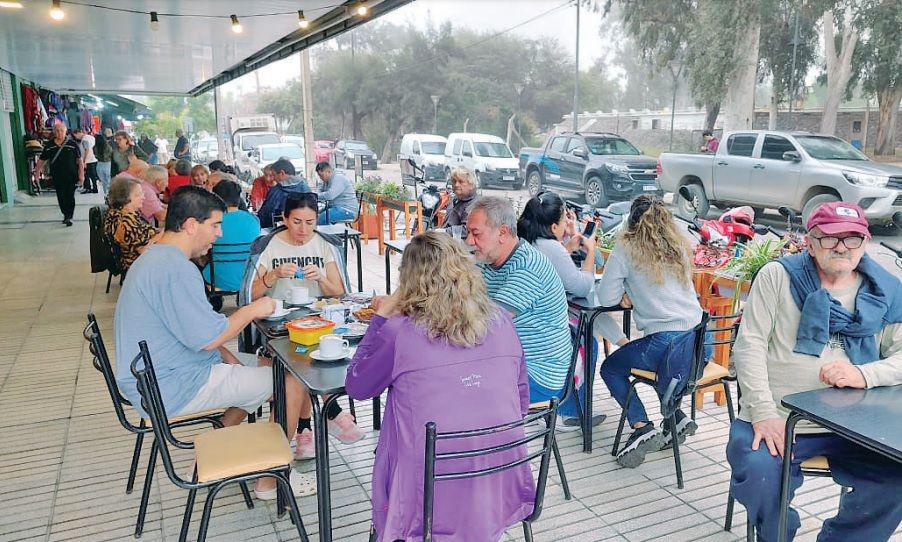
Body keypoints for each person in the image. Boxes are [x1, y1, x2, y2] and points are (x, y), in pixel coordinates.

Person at [114, 185, 315, 499]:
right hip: (173, 384)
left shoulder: (156, 258)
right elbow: (207, 337)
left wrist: (226, 356)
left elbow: (192, 331)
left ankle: (213, 452)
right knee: (292, 382)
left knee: (265, 365)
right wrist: (252, 310)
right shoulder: (175, 269)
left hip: (156, 376)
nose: (219, 234)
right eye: (215, 225)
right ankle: (270, 480)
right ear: (191, 225)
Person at [727, 201, 902, 542]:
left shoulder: (885, 291)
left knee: (896, 478)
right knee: (760, 474)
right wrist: (763, 413)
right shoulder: (778, 276)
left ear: (865, 243)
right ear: (810, 242)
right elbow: (749, 346)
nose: (842, 247)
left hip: (855, 426)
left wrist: (864, 374)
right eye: (830, 237)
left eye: (852, 238)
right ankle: (778, 534)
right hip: (779, 419)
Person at [346, 232, 536, 542]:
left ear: (409, 281)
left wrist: (380, 317)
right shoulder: (501, 320)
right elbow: (521, 400)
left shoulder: (398, 332)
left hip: (428, 493)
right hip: (500, 476)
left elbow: (356, 387)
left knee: (399, 431)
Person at [597, 195, 705, 468]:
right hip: (699, 344)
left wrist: (625, 294)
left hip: (665, 344)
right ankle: (675, 418)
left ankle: (641, 426)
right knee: (661, 364)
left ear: (631, 221)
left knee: (611, 368)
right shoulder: (678, 246)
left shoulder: (627, 247)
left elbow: (605, 296)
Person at [250, 194, 363, 452]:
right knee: (297, 361)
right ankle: (328, 414)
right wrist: (273, 275)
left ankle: (306, 429)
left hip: (317, 323)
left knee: (305, 358)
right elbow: (249, 295)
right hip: (277, 327)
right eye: (297, 222)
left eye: (310, 223)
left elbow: (340, 292)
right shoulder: (269, 245)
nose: (303, 229)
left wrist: (321, 277)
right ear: (284, 219)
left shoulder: (323, 245)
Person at [517, 192, 628, 430]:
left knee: (589, 322)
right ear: (553, 226)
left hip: (527, 325)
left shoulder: (526, 242)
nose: (568, 222)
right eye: (564, 219)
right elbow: (582, 286)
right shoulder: (551, 247)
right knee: (589, 343)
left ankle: (623, 345)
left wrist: (567, 247)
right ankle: (568, 411)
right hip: (543, 330)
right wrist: (591, 251)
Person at [465, 196, 573, 405]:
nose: (469, 241)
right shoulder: (488, 260)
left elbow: (483, 326)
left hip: (538, 375)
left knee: (457, 389)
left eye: (476, 234)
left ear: (503, 233)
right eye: (467, 233)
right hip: (507, 361)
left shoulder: (527, 268)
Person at [203, 180, 261, 292]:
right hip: (249, 277)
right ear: (239, 198)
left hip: (216, 278)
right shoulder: (253, 219)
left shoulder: (212, 221)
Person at [103, 176, 162, 272]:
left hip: (141, 258)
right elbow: (143, 250)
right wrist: (161, 235)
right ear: (125, 198)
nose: (143, 197)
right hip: (137, 264)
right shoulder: (126, 221)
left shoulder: (119, 212)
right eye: (138, 195)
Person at [36, 123, 83, 226]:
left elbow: (79, 160)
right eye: (57, 131)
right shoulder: (49, 146)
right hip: (57, 176)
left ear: (65, 131)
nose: (59, 133)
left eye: (62, 130)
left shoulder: (72, 144)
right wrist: (37, 173)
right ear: (54, 132)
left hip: (71, 175)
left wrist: (81, 175)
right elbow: (41, 160)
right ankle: (65, 213)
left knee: (70, 195)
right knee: (61, 196)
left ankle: (69, 216)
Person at [256, 159, 312, 229]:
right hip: (305, 229)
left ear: (282, 173)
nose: (274, 179)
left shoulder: (276, 190)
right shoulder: (306, 188)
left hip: (281, 230)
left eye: (274, 175)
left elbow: (265, 215)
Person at [73, 128, 99, 194]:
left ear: (78, 133)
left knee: (86, 175)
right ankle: (94, 188)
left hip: (88, 160)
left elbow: (87, 150)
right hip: (93, 159)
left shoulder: (84, 139)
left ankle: (88, 188)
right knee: (93, 175)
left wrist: (84, 161)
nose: (76, 137)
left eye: (76, 135)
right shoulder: (91, 137)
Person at [95, 128, 113, 194]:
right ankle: (109, 195)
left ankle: (106, 194)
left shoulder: (96, 147)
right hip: (108, 163)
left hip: (100, 164)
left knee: (104, 182)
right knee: (108, 181)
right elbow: (111, 153)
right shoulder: (107, 145)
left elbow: (95, 154)